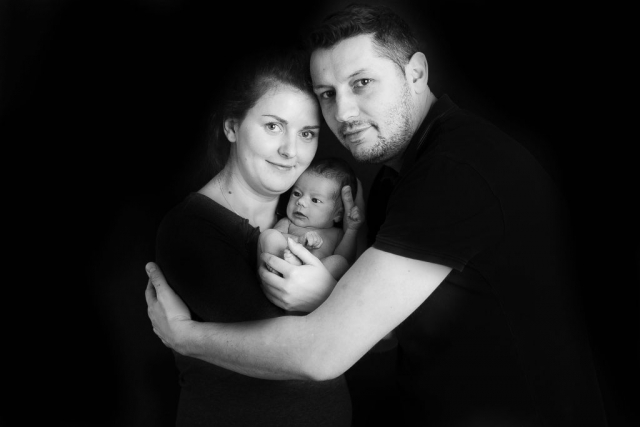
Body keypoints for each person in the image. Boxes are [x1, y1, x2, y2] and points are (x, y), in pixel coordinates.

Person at [146, 4, 608, 426]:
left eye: (361, 83)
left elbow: (323, 353)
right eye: (328, 94)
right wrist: (332, 289)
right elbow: (385, 334)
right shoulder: (396, 178)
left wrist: (184, 337)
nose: (344, 113)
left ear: (416, 73)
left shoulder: (457, 168)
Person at [152, 48, 364, 427]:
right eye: (273, 127)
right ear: (232, 127)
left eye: (306, 134)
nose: (290, 151)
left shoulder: (310, 217)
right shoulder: (191, 229)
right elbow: (306, 352)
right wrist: (347, 294)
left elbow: (386, 338)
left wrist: (340, 260)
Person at [260, 157, 362, 281]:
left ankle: (299, 272)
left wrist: (351, 230)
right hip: (285, 259)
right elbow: (277, 237)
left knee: (340, 262)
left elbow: (347, 258)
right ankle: (285, 266)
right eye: (297, 193)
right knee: (269, 235)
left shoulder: (337, 234)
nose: (301, 201)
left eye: (315, 200)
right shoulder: (288, 223)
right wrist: (298, 241)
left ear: (338, 215)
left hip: (314, 279)